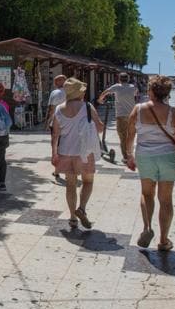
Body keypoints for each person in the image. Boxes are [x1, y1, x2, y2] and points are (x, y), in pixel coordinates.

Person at [124, 75, 175, 252]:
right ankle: (163, 240)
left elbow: (130, 135)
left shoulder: (138, 109)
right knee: (166, 199)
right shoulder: (173, 113)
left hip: (145, 156)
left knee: (147, 193)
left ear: (151, 91)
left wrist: (129, 155)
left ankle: (147, 228)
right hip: (168, 156)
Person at [51, 78, 104, 229]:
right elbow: (100, 127)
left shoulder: (59, 109)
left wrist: (54, 153)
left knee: (70, 184)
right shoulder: (87, 106)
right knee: (88, 182)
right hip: (84, 152)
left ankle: (73, 217)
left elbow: (55, 134)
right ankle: (81, 208)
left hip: (65, 151)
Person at [98, 72, 139, 162]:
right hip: (132, 115)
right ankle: (130, 154)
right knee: (130, 136)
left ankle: (126, 157)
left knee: (123, 137)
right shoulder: (132, 87)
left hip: (121, 115)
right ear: (128, 79)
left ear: (119, 79)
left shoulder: (116, 86)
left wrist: (100, 99)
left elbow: (105, 92)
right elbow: (136, 94)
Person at [47, 75, 67, 179]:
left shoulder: (54, 93)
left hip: (56, 122)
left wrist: (48, 121)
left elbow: (51, 109)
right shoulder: (71, 92)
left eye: (56, 81)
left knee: (55, 145)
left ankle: (57, 170)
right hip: (69, 122)